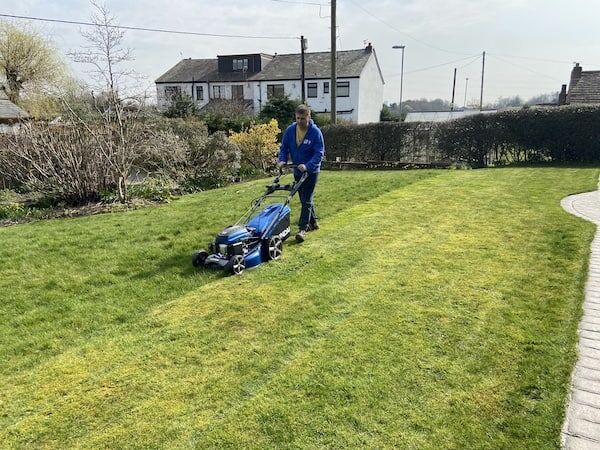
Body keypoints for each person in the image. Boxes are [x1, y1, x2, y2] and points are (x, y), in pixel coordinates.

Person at [277, 104, 325, 243]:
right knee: (304, 197)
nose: (300, 121)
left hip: (311, 171)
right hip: (297, 170)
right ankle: (314, 222)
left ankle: (303, 229)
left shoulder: (315, 132)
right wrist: (282, 160)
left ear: (309, 117)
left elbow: (319, 154)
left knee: (306, 199)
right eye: (298, 118)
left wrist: (308, 166)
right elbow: (284, 148)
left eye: (303, 118)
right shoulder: (290, 130)